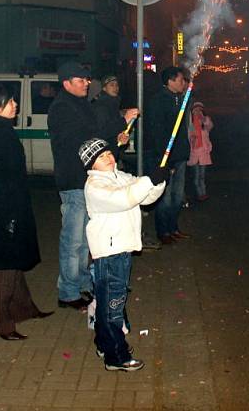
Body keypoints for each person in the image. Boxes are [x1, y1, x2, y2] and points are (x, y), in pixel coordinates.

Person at [48, 61, 138, 311]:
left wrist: (115, 141)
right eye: (81, 80)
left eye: (87, 80)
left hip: (87, 180)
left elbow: (95, 140)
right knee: (73, 240)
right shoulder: (62, 108)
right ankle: (68, 292)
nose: (87, 84)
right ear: (66, 83)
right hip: (74, 180)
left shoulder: (80, 104)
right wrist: (121, 120)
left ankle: (83, 283)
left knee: (87, 239)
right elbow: (85, 135)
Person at [78, 137, 168, 371]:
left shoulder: (121, 177)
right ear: (91, 165)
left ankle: (103, 343)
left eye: (108, 153)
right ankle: (115, 356)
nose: (107, 158)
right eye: (100, 157)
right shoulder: (95, 186)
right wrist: (148, 181)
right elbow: (124, 199)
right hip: (110, 253)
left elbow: (145, 197)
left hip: (122, 250)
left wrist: (157, 181)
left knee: (110, 303)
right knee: (113, 307)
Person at [0, 81, 53, 340]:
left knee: (14, 259)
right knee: (4, 265)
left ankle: (23, 308)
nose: (15, 105)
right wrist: (9, 216)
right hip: (4, 208)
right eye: (10, 101)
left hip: (11, 204)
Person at [145, 66, 191, 245]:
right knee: (166, 197)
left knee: (178, 197)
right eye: (180, 80)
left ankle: (173, 228)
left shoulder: (178, 99)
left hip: (179, 155)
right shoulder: (159, 101)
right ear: (170, 81)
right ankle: (163, 231)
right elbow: (159, 133)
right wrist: (166, 161)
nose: (183, 83)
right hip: (165, 158)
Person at [187, 102, 213, 201]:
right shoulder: (190, 124)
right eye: (195, 110)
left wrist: (203, 119)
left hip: (203, 153)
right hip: (194, 154)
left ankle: (203, 193)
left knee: (202, 176)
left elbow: (209, 126)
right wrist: (192, 139)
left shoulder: (205, 122)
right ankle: (199, 194)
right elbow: (189, 137)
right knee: (196, 176)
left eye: (199, 110)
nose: (197, 112)